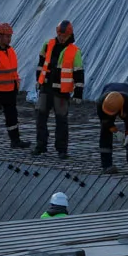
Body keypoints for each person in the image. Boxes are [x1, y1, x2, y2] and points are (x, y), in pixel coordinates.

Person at [33, 21, 80, 157]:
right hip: (46, 88)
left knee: (61, 121)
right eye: (59, 34)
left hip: (61, 92)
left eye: (63, 35)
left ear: (69, 34)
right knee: (41, 117)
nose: (60, 37)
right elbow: (41, 63)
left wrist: (78, 92)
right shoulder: (48, 44)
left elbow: (78, 72)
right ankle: (40, 146)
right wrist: (39, 80)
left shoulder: (74, 51)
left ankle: (61, 149)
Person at [96, 82, 128, 173]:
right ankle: (106, 165)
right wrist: (116, 132)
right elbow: (106, 122)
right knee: (105, 131)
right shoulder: (101, 104)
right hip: (108, 90)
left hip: (125, 93)